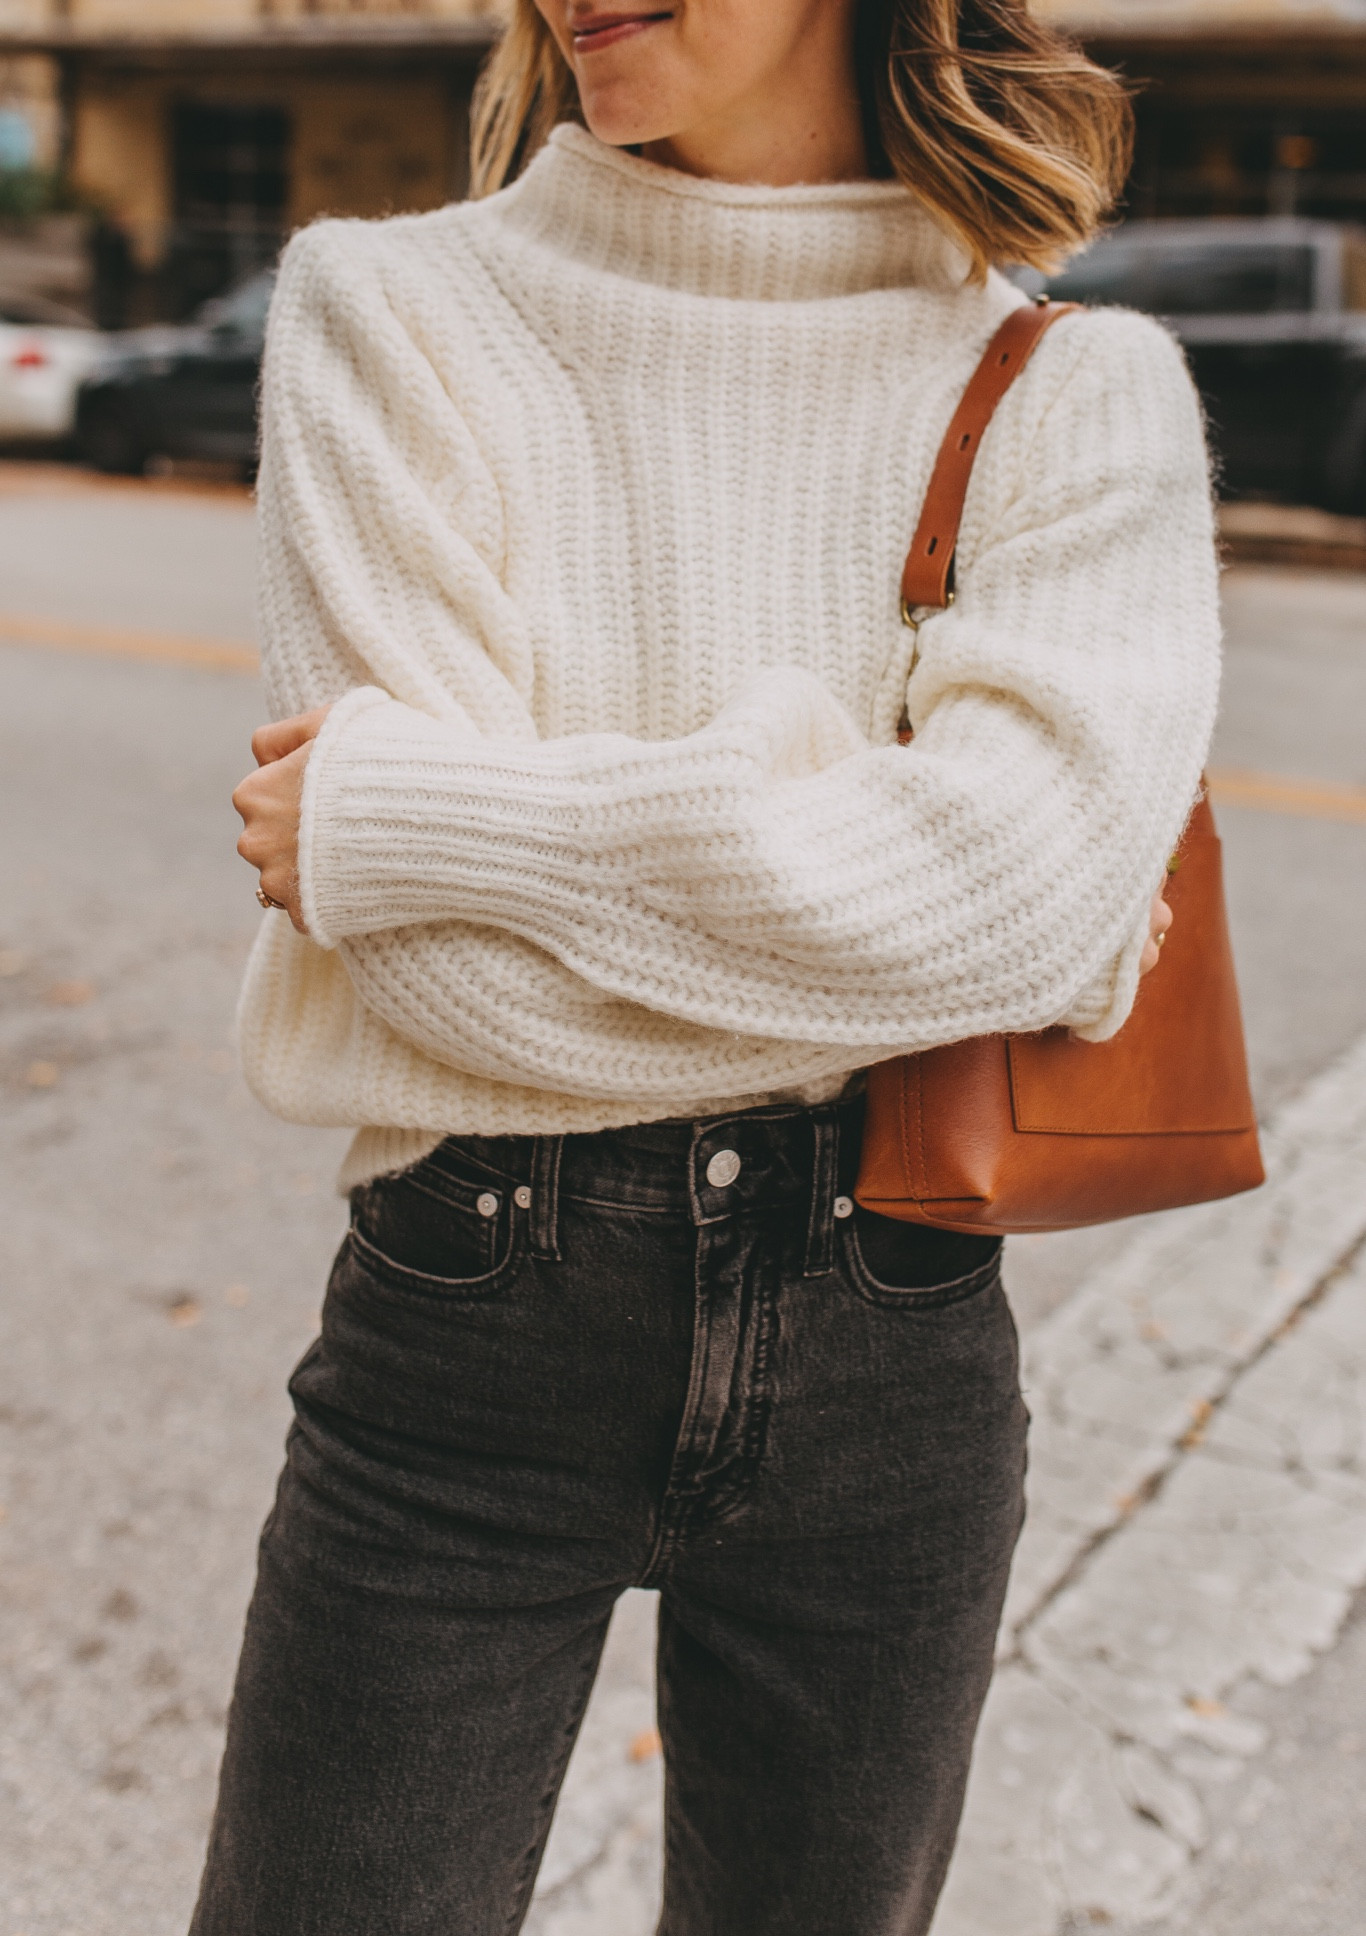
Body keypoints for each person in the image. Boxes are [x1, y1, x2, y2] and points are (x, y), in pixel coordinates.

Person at [202, 1, 1215, 1929]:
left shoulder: (1076, 390)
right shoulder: (388, 309)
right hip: (470, 1315)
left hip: (890, 1331)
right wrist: (898, 870)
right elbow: (452, 998)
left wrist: (427, 826)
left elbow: (1035, 900)